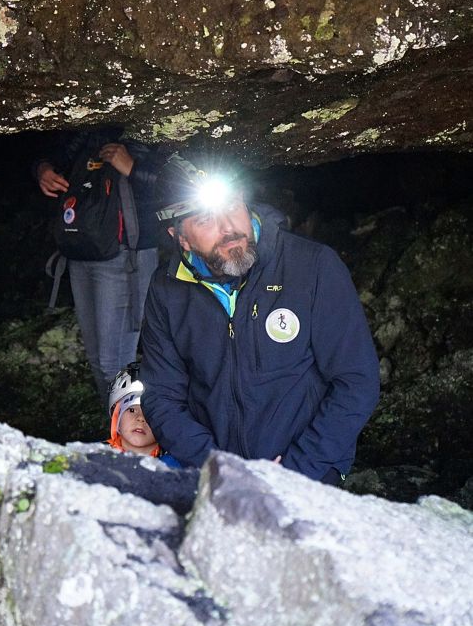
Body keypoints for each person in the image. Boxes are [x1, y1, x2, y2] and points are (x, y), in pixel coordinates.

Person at [139, 156, 380, 483]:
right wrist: (215, 465)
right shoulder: (168, 290)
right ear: (180, 236)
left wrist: (299, 468)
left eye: (233, 206)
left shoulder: (312, 267)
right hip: (214, 476)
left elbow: (357, 381)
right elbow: (162, 395)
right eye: (207, 219)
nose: (229, 228)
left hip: (307, 474)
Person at [35, 127, 168, 406]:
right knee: (97, 359)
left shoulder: (155, 116)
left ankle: (135, 442)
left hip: (126, 253)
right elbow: (59, 150)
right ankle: (118, 434)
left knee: (115, 364)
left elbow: (178, 185)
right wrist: (42, 167)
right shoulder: (89, 117)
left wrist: (133, 167)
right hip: (81, 247)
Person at [106, 364, 182, 467]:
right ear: (116, 415)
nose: (141, 418)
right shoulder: (92, 459)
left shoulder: (178, 467)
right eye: (132, 410)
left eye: (151, 412)